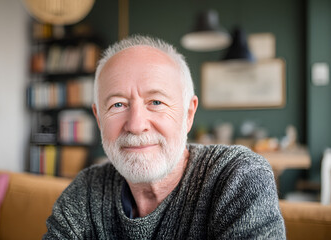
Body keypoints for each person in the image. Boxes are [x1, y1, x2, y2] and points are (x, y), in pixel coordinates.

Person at [43, 35, 285, 239]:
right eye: (117, 105)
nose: (136, 125)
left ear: (188, 114)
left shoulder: (239, 177)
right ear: (98, 118)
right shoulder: (85, 192)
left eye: (156, 102)